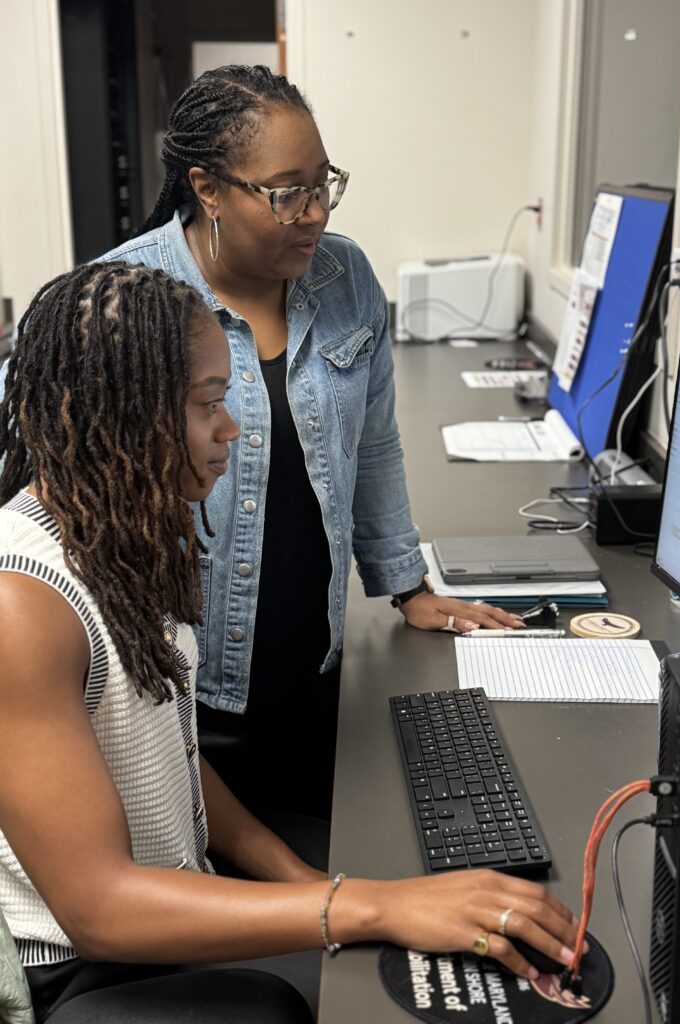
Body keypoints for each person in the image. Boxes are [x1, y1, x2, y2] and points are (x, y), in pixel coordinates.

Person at [0, 263, 582, 1024]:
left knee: (405, 923)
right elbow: (100, 909)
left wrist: (301, 878)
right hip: (92, 969)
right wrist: (361, 907)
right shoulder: (23, 605)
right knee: (394, 984)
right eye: (209, 405)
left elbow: (159, 748)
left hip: (167, 898)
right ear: (119, 416)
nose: (231, 429)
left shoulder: (120, 531)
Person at [98, 64, 523, 822]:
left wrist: (407, 583)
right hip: (182, 705)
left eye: (325, 183)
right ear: (207, 189)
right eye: (287, 191)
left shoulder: (345, 277)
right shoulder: (124, 303)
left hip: (316, 678)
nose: (316, 212)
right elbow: (48, 495)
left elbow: (377, 443)